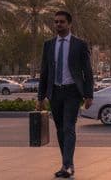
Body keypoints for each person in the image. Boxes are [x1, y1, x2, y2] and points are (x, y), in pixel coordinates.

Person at [37, 10, 94, 179]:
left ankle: (66, 165)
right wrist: (40, 97)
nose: (58, 25)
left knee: (69, 127)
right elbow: (44, 72)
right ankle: (67, 164)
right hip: (54, 92)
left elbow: (87, 72)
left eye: (61, 22)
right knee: (60, 130)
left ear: (69, 24)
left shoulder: (79, 44)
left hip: (72, 92)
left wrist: (89, 95)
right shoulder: (48, 44)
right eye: (56, 22)